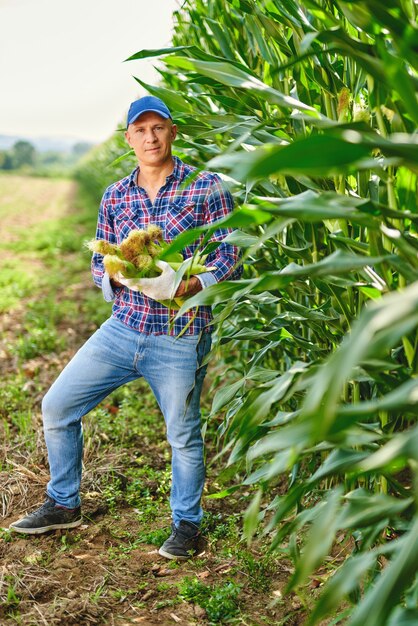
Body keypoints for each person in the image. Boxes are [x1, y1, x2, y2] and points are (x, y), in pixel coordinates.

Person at [10, 95, 241, 560]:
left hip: (179, 332)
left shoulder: (205, 186)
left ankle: (187, 525)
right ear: (129, 138)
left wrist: (189, 283)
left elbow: (231, 253)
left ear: (173, 132)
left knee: (183, 435)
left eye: (159, 128)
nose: (150, 137)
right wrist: (112, 274)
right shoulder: (116, 194)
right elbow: (100, 259)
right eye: (141, 130)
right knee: (57, 405)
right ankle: (63, 502)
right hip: (123, 327)